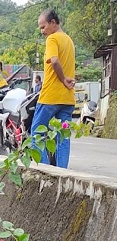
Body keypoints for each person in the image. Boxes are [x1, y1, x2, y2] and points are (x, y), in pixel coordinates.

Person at [32, 9, 75, 167]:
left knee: (36, 133)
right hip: (68, 98)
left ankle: (45, 171)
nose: (42, 31)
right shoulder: (69, 40)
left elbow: (55, 61)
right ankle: (61, 172)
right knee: (63, 137)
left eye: (43, 27)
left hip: (51, 96)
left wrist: (63, 79)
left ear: (53, 23)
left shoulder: (53, 39)